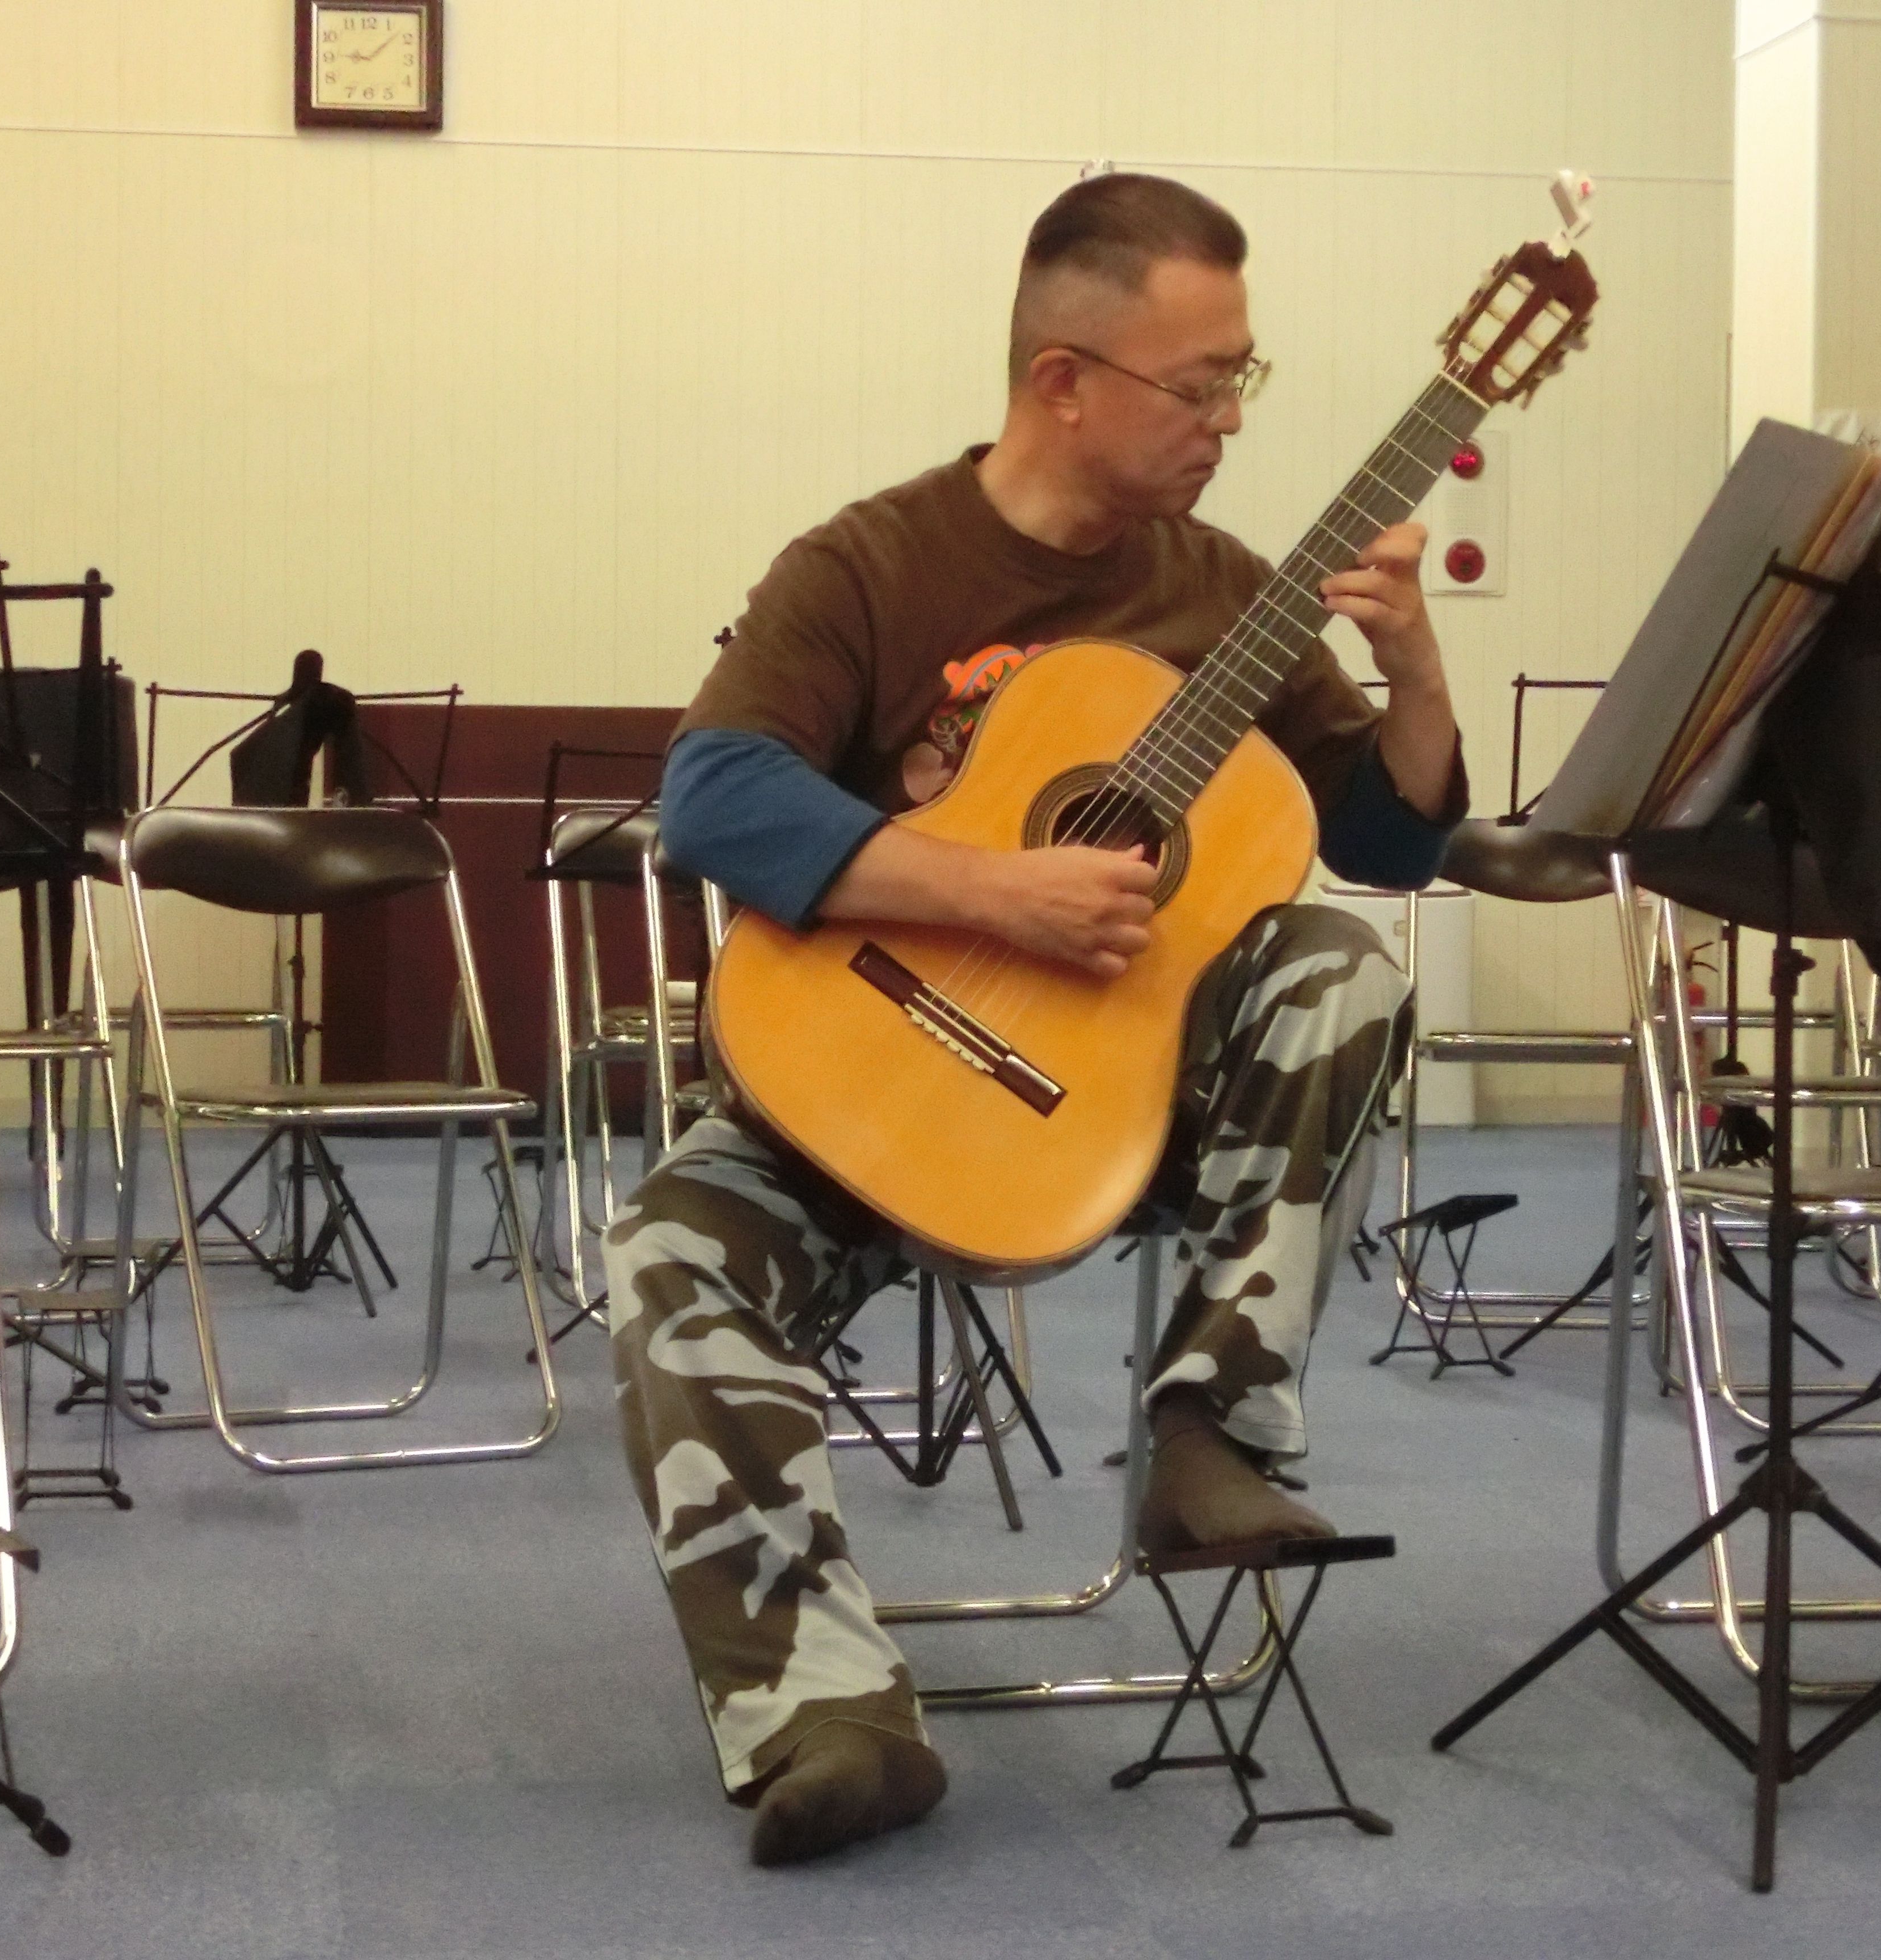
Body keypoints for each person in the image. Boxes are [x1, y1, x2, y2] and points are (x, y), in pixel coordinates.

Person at [607, 171, 1466, 1867]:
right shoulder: (871, 564)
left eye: (1243, 378)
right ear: (1063, 380)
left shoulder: (1226, 591)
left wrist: (1419, 670)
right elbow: (711, 799)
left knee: (1346, 965)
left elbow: (1383, 838)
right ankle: (829, 1715)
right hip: (861, 1097)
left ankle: (1209, 1428)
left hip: (1115, 1116)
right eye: (1199, 384)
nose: (1229, 419)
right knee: (666, 1262)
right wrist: (991, 892)